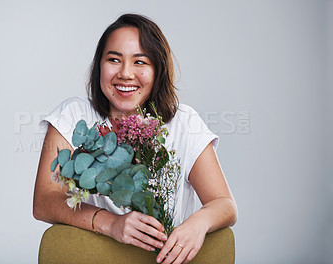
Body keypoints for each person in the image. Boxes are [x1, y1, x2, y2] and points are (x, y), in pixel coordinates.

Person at [33, 13, 237, 264]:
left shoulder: (184, 122)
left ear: (158, 70)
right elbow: (44, 201)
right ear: (99, 66)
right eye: (114, 60)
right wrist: (111, 224)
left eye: (140, 62)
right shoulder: (75, 116)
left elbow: (225, 204)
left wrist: (199, 222)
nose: (125, 74)